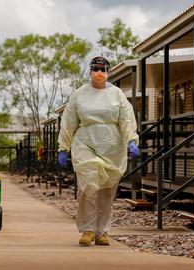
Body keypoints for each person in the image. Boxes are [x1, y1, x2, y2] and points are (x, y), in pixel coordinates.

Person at [57, 56, 139, 246]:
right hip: (86, 142)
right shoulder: (79, 94)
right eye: (95, 69)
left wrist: (132, 140)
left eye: (102, 69)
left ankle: (102, 231)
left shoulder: (117, 94)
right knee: (89, 183)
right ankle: (87, 229)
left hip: (112, 146)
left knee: (107, 189)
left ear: (109, 72)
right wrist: (63, 146)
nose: (99, 73)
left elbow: (126, 119)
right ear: (90, 71)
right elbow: (69, 121)